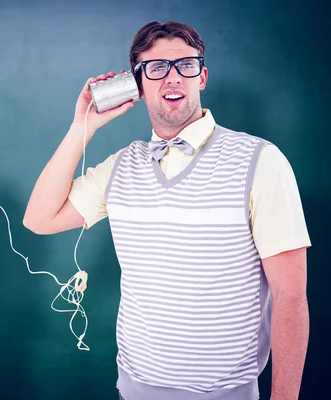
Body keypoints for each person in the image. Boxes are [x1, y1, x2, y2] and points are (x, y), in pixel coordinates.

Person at [23, 21, 310, 400]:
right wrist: (83, 127)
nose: (172, 78)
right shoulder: (121, 166)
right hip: (134, 388)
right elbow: (39, 219)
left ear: (202, 76)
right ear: (138, 86)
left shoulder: (261, 161)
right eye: (157, 68)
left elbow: (290, 296)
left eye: (185, 65)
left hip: (226, 393)